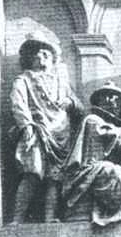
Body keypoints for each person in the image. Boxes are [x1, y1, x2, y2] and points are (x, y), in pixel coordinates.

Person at [9, 35, 84, 222]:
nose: (41, 57)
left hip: (60, 133)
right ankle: (17, 219)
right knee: (32, 172)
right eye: (37, 53)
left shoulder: (62, 83)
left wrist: (70, 102)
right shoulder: (23, 80)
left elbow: (80, 108)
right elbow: (18, 104)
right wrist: (26, 126)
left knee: (54, 178)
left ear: (52, 58)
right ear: (30, 58)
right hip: (36, 131)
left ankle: (50, 219)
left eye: (45, 53)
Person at [61, 84, 121, 227]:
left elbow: (116, 147)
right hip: (85, 171)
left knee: (119, 170)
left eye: (118, 102)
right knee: (112, 170)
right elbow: (110, 136)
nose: (115, 104)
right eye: (110, 99)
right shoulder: (93, 119)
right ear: (101, 101)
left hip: (96, 170)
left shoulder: (109, 124)